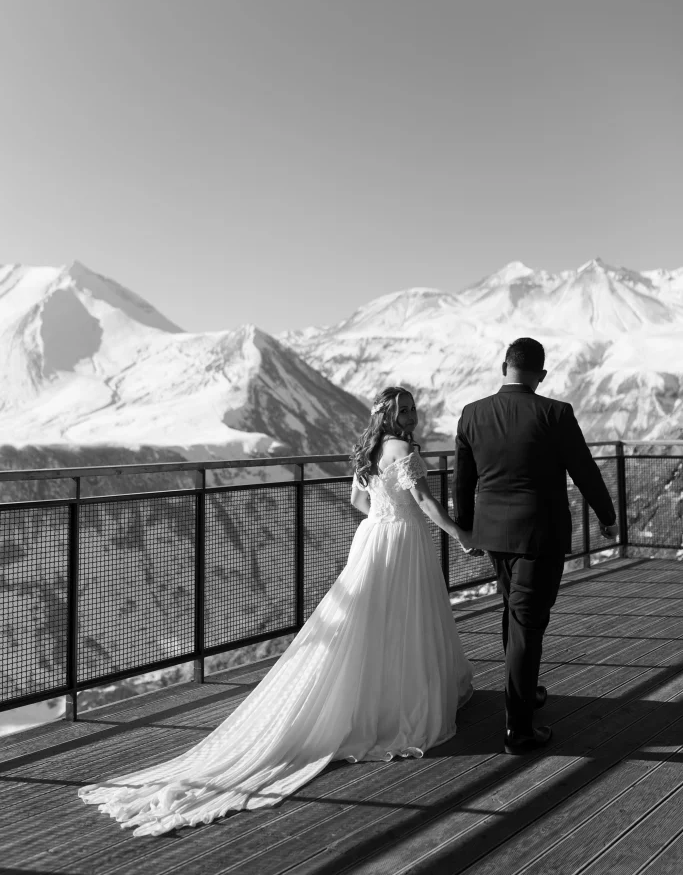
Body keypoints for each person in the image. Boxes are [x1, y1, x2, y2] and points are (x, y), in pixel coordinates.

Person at [79, 386, 476, 836]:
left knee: (369, 622)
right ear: (389, 414)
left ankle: (369, 698)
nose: (411, 414)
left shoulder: (372, 450)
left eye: (411, 407)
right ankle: (397, 700)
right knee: (406, 621)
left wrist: (381, 519)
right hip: (402, 541)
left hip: (373, 540)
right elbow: (424, 503)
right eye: (403, 409)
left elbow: (358, 503)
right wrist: (459, 533)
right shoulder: (403, 449)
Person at [453, 338, 618, 755]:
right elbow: (585, 470)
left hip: (494, 535)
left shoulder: (472, 414)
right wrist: (607, 516)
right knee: (527, 622)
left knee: (515, 613)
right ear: (541, 375)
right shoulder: (555, 413)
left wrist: (466, 531)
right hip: (540, 535)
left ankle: (524, 693)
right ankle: (519, 729)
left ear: (503, 365)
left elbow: (463, 483)